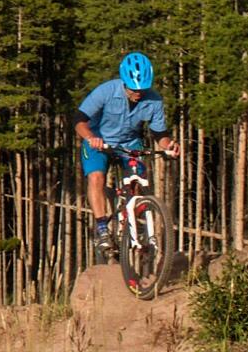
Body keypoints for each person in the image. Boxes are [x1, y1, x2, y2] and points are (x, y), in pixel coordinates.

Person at [76, 51, 178, 259]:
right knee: (96, 177)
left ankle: (136, 224)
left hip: (130, 143)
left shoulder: (155, 100)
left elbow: (160, 134)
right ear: (123, 82)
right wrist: (90, 137)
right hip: (99, 141)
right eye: (133, 89)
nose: (138, 93)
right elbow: (79, 120)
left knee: (138, 180)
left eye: (142, 89)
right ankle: (102, 228)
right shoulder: (105, 91)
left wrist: (169, 146)